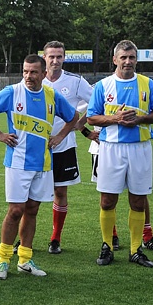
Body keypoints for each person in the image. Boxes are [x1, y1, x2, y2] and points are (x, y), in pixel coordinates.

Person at [0, 54, 77, 279]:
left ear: (44, 74)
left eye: (33, 72)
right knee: (15, 210)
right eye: (25, 71)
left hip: (44, 163)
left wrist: (59, 137)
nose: (28, 76)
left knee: (33, 210)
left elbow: (73, 117)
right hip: (17, 163)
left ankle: (25, 259)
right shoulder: (12, 92)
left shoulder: (51, 95)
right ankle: (4, 259)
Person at [86, 40, 153, 268]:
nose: (127, 61)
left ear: (136, 60)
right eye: (123, 57)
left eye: (131, 57)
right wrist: (115, 119)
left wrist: (139, 119)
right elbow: (91, 117)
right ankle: (107, 246)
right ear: (115, 60)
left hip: (140, 148)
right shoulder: (103, 85)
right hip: (110, 148)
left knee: (138, 200)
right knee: (107, 200)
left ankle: (135, 249)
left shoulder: (148, 84)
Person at [40, 41, 98, 254]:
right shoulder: (34, 77)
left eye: (59, 56)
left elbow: (96, 103)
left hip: (63, 146)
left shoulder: (75, 81)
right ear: (44, 58)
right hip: (36, 147)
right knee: (30, 194)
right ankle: (24, 238)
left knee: (59, 191)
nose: (55, 61)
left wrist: (80, 127)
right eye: (51, 56)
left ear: (64, 58)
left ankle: (55, 237)